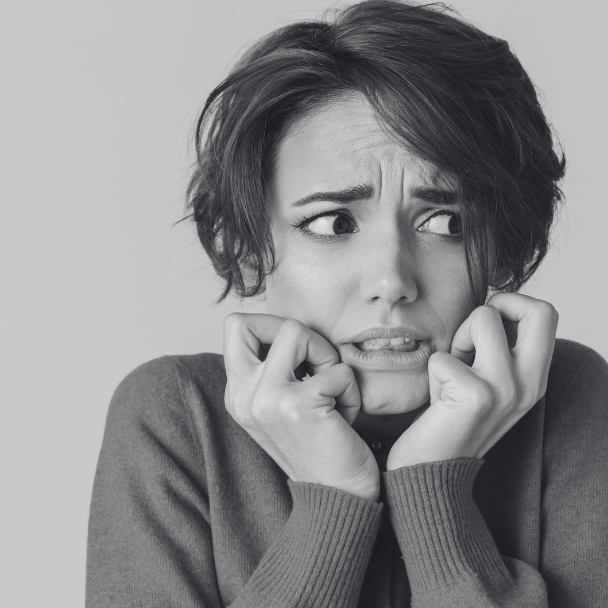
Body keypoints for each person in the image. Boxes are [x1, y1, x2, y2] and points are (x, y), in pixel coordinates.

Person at [86, 1, 608, 607]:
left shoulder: (569, 398)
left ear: (498, 246)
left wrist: (433, 490)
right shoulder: (177, 420)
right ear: (251, 246)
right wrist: (330, 501)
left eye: (445, 221)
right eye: (333, 223)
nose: (392, 280)